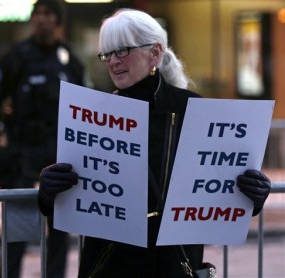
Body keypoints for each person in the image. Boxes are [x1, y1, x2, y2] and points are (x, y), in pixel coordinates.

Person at [37, 8, 271, 278]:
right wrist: (48, 192)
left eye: (122, 50)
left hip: (173, 265)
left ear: (155, 53)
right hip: (109, 266)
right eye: (107, 54)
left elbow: (219, 188)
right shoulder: (93, 114)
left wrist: (253, 195)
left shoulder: (194, 110)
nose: (113, 61)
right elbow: (74, 193)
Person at [0, 0, 86, 277]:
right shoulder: (16, 57)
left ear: (58, 21)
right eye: (37, 14)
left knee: (59, 228)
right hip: (21, 153)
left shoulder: (68, 59)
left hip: (58, 153)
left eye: (47, 14)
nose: (41, 20)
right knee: (19, 226)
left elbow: (86, 106)